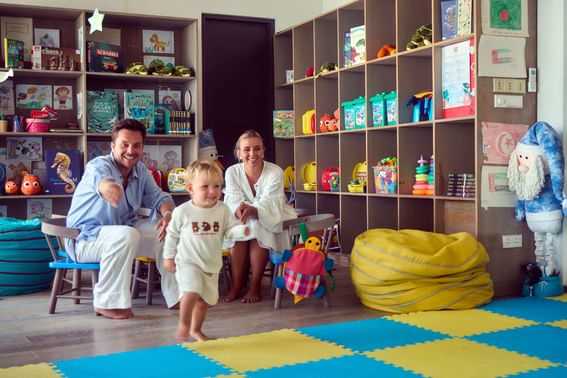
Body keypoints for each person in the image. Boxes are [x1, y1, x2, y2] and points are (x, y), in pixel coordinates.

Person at [66, 119, 179, 319]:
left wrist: (168, 213)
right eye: (124, 145)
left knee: (166, 232)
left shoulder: (141, 171)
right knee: (126, 235)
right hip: (84, 239)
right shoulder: (98, 165)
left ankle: (177, 296)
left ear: (143, 147)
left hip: (122, 233)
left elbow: (160, 197)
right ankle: (107, 302)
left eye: (136, 145)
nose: (130, 150)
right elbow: (103, 182)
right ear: (113, 146)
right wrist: (111, 188)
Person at [163, 160, 249, 341]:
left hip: (211, 265)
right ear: (190, 188)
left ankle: (196, 329)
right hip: (188, 262)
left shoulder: (223, 210)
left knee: (204, 302)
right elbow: (171, 234)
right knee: (191, 291)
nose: (212, 191)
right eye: (205, 187)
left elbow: (229, 230)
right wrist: (168, 257)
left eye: (217, 186)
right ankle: (184, 325)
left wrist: (241, 230)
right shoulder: (183, 211)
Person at [222, 129, 296, 303]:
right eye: (246, 149)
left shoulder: (275, 172)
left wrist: (254, 211)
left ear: (263, 150)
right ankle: (237, 285)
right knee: (239, 230)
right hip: (241, 215)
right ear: (239, 153)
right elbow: (232, 199)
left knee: (257, 226)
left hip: (272, 214)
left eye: (257, 148)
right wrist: (240, 210)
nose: (252, 154)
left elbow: (270, 202)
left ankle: (255, 285)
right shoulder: (232, 172)